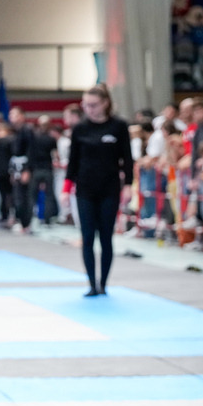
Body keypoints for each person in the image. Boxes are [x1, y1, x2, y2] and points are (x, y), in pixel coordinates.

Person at [63, 84, 133, 297]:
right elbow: (73, 161)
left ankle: (104, 283)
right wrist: (66, 189)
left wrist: (128, 185)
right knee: (87, 236)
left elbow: (127, 159)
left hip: (109, 189)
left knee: (105, 237)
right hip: (85, 189)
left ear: (105, 103)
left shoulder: (119, 126)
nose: (89, 109)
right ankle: (92, 283)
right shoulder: (80, 129)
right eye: (86, 105)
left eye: (93, 105)